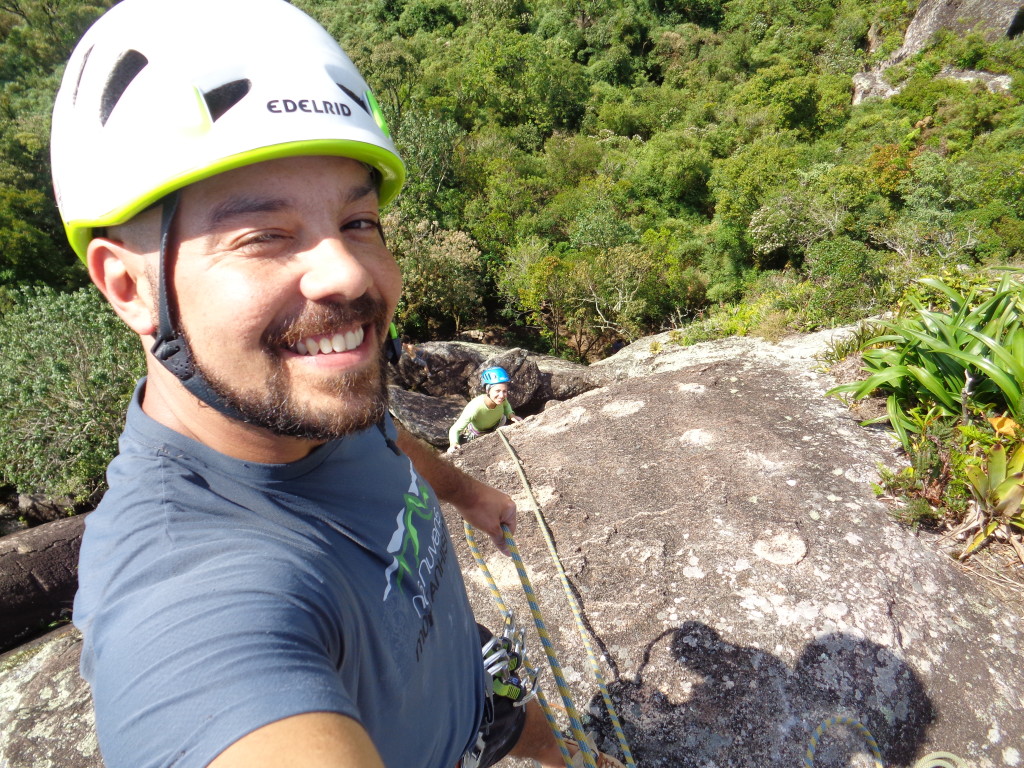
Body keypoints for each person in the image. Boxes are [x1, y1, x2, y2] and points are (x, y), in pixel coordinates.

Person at [50, 2, 624, 767]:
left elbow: (382, 437)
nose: (351, 272)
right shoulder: (185, 598)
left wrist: (467, 496)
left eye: (359, 222)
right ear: (127, 287)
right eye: (265, 236)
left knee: (540, 732)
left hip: (463, 686)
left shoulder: (313, 405)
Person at [448, 367, 525, 453]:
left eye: (504, 391)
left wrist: (511, 415)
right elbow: (455, 429)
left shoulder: (502, 400)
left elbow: (506, 405)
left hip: (497, 424)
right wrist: (453, 443)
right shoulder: (475, 407)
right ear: (487, 390)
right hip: (477, 434)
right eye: (497, 391)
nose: (502, 395)